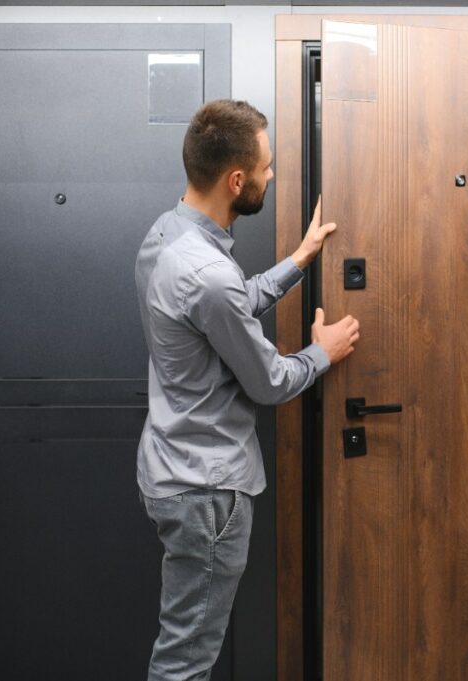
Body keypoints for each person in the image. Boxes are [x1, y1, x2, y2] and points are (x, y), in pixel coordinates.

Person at [133, 99, 359, 681]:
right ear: (237, 181)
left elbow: (225, 305)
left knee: (181, 647)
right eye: (267, 166)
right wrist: (323, 353)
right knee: (185, 662)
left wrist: (299, 261)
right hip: (206, 492)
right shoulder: (208, 274)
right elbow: (271, 382)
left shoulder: (168, 235)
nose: (272, 174)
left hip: (173, 471)